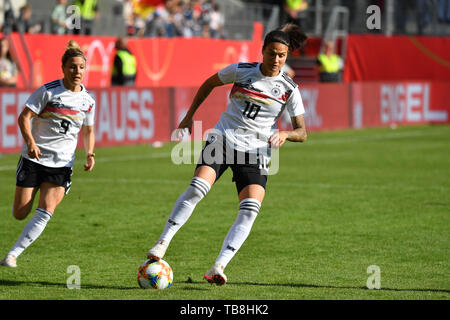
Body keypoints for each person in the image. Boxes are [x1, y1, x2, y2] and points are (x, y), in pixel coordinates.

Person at [146, 24, 308, 285]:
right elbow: (208, 83)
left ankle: (218, 267)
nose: (276, 60)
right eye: (272, 53)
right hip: (223, 138)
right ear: (262, 51)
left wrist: (286, 134)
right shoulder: (242, 71)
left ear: (286, 56)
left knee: (249, 210)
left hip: (255, 151)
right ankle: (162, 243)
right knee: (198, 188)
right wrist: (189, 117)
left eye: (282, 55)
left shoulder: (289, 89)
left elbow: (302, 131)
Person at [0, 40, 96, 268]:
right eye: (72, 67)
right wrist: (31, 142)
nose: (77, 72)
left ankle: (13, 254)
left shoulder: (88, 100)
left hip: (62, 164)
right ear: (63, 68)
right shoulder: (48, 91)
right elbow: (24, 117)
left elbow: (89, 129)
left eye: (81, 67)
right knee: (20, 213)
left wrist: (90, 152)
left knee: (46, 210)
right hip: (34, 159)